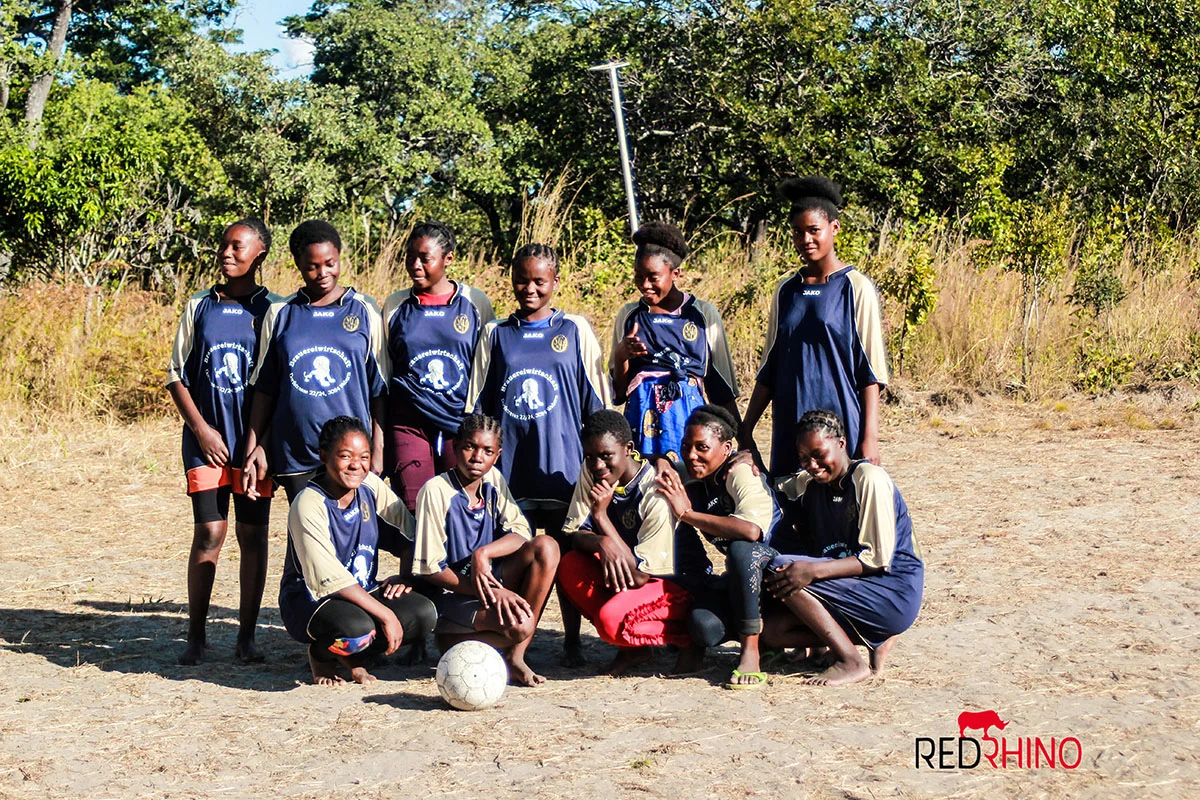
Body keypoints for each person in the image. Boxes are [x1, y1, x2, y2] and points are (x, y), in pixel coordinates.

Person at [466, 243, 611, 667]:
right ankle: (516, 638)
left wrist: (599, 466)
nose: (529, 289)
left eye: (539, 281)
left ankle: (570, 640)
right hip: (513, 471)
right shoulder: (496, 333)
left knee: (567, 557)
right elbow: (478, 404)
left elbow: (597, 404)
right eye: (522, 280)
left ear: (555, 283)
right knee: (522, 558)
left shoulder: (576, 330)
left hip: (565, 470)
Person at [167, 217, 281, 666]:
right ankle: (196, 637)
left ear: (260, 254)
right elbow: (176, 375)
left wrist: (262, 445)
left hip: (252, 445)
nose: (227, 254)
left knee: (252, 535)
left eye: (238, 247)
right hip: (206, 440)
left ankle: (246, 636)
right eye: (223, 247)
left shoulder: (274, 310)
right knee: (210, 531)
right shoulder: (200, 305)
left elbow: (279, 386)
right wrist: (202, 430)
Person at [761, 409, 924, 686]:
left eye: (819, 454)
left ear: (841, 444)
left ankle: (850, 660)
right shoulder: (812, 484)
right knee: (775, 633)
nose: (812, 465)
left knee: (783, 568)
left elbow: (876, 560)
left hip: (891, 589)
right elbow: (771, 486)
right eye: (803, 459)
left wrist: (811, 571)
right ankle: (874, 638)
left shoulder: (868, 479)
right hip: (853, 587)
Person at [738, 177, 888, 477]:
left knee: (841, 509)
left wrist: (870, 439)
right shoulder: (786, 290)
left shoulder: (855, 288)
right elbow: (771, 366)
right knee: (793, 508)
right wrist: (745, 429)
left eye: (814, 230)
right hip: (791, 422)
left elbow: (870, 372)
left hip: (841, 422)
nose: (806, 239)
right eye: (798, 232)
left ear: (834, 228)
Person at [278, 416, 437, 685]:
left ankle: (355, 655)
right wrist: (385, 614)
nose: (356, 465)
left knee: (425, 614)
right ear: (324, 455)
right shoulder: (308, 503)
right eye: (345, 456)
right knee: (356, 631)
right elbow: (330, 581)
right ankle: (323, 655)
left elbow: (410, 535)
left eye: (364, 456)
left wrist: (405, 578)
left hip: (361, 592)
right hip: (312, 599)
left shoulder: (370, 488)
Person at [242, 220, 389, 502]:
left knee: (348, 538)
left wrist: (377, 452)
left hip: (352, 455)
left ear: (339, 258)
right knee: (305, 537)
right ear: (298, 264)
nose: (323, 273)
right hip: (296, 450)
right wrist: (254, 448)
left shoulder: (364, 309)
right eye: (312, 266)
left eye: (330, 263)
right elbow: (265, 389)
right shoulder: (280, 312)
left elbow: (379, 391)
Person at [411, 414, 561, 687]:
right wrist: (492, 591)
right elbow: (431, 569)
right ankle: (451, 642)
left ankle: (516, 656)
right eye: (470, 447)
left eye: (487, 451)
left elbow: (521, 532)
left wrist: (484, 554)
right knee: (521, 626)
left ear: (497, 455)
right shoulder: (435, 491)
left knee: (547, 547)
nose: (477, 457)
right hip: (454, 594)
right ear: (455, 447)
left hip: (490, 583)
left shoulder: (493, 479)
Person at [557, 410, 697, 677]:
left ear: (629, 449)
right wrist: (600, 542)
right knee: (568, 565)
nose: (598, 465)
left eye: (606, 456)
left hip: (673, 583)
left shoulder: (654, 491)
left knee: (609, 622)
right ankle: (633, 644)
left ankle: (684, 635)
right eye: (590, 457)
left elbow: (640, 576)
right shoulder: (594, 473)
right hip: (633, 575)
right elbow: (575, 532)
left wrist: (601, 518)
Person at [653, 405, 781, 688]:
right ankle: (767, 639)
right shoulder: (697, 474)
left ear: (726, 448)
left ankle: (750, 651)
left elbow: (750, 531)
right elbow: (658, 467)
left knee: (741, 549)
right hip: (744, 583)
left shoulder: (740, 472)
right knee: (704, 627)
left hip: (780, 574)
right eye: (686, 447)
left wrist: (687, 514)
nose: (691, 455)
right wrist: (662, 460)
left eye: (702, 447)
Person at [381, 222, 494, 510]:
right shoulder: (396, 305)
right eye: (410, 257)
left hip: (460, 424)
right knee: (416, 510)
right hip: (408, 422)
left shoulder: (474, 303)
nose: (415, 265)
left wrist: (481, 425)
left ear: (448, 259)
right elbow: (385, 371)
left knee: (459, 510)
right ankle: (419, 557)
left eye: (425, 258)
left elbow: (485, 369)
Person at [611, 222, 740, 463]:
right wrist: (621, 356)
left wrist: (743, 440)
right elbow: (619, 393)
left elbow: (720, 386)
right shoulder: (629, 316)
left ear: (675, 274)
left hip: (690, 422)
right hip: (642, 424)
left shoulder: (702, 315)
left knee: (689, 487)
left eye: (653, 277)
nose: (644, 285)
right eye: (638, 276)